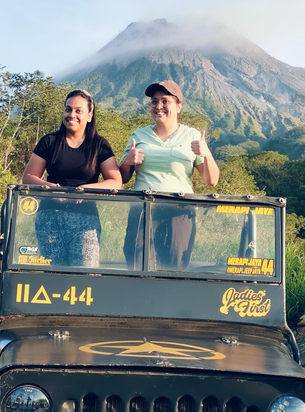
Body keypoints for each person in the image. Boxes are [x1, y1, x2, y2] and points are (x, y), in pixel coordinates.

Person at [118, 80, 220, 270]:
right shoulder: (138, 136)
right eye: (154, 102)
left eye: (165, 101)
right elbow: (122, 178)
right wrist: (127, 161)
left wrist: (206, 153)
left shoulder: (192, 135)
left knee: (175, 265)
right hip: (142, 208)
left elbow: (211, 181)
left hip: (179, 210)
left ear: (178, 106)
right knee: (135, 260)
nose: (159, 106)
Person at [21, 89, 122, 267]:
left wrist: (83, 191)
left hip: (86, 219)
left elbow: (116, 181)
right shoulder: (49, 141)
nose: (71, 115)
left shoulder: (99, 145)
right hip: (50, 217)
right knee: (55, 275)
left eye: (78, 111)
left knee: (86, 276)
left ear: (89, 116)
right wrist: (52, 189)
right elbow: (28, 177)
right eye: (68, 109)